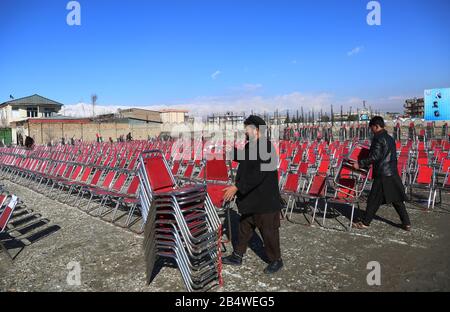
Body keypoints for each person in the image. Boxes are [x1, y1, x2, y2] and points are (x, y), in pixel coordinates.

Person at [221, 115, 283, 274]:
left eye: (247, 129)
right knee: (244, 227)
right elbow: (243, 158)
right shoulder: (252, 146)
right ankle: (237, 256)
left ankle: (276, 260)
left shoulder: (265, 147)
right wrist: (228, 149)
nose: (245, 132)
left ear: (256, 130)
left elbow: (257, 174)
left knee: (269, 232)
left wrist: (237, 187)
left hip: (265, 200)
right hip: (252, 199)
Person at [349, 116, 411, 231]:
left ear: (376, 126)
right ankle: (406, 223)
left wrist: (360, 163)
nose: (371, 130)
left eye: (372, 127)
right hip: (392, 172)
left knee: (373, 200)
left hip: (382, 174)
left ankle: (365, 223)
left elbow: (375, 156)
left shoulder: (378, 138)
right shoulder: (389, 138)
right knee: (397, 200)